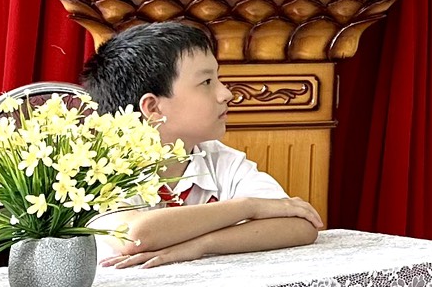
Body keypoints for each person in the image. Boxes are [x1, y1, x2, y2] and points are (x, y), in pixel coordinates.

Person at [78, 21, 323, 268]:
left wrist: (201, 244)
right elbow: (134, 236)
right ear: (153, 108)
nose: (226, 94)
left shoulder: (219, 160)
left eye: (218, 78)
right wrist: (249, 207)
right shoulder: (96, 168)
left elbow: (301, 224)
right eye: (206, 82)